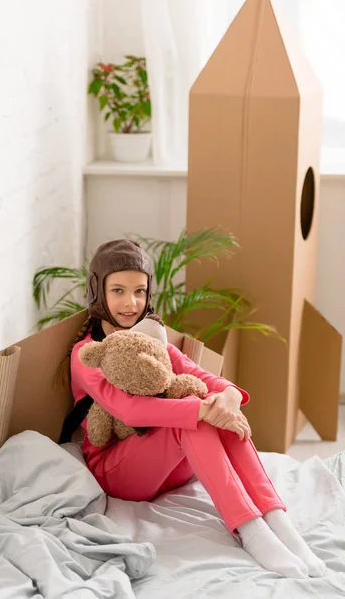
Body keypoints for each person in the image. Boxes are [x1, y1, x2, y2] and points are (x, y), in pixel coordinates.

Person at [59, 239, 326, 579]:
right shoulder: (87, 353)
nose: (131, 303)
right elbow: (128, 410)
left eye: (140, 291)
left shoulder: (150, 335)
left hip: (169, 468)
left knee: (220, 412)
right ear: (98, 291)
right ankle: (251, 531)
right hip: (118, 471)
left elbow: (196, 373)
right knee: (195, 413)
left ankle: (275, 518)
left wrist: (228, 396)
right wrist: (200, 411)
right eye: (118, 291)